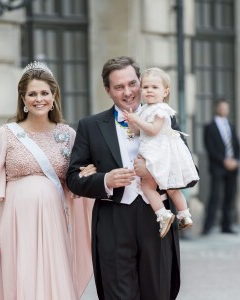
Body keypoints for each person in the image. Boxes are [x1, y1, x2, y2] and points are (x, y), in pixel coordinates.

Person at [0, 61, 95, 299]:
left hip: (54, 223)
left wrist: (88, 176)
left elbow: (75, 185)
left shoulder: (68, 135)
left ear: (54, 96)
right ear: (23, 99)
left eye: (44, 93)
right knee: (19, 280)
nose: (39, 99)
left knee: (53, 281)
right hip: (13, 222)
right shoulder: (6, 134)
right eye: (32, 94)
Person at [67, 56, 181, 300]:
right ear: (108, 91)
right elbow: (73, 178)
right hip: (112, 221)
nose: (128, 92)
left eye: (132, 84)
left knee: (158, 292)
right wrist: (105, 180)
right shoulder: (90, 125)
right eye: (119, 87)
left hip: (157, 218)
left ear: (141, 83)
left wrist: (155, 173)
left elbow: (189, 173)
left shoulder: (164, 119)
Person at [123, 67, 199, 238]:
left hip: (158, 152)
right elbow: (137, 132)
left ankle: (163, 214)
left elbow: (152, 130)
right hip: (156, 149)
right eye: (145, 87)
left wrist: (137, 120)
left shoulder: (161, 110)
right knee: (170, 187)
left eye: (154, 87)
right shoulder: (144, 109)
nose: (149, 90)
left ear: (165, 92)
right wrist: (131, 122)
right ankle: (184, 215)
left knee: (148, 186)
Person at [203, 99, 239, 235]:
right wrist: (224, 161)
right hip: (218, 166)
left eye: (226, 108)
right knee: (215, 196)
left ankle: (227, 225)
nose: (224, 110)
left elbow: (236, 145)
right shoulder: (209, 127)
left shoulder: (231, 125)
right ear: (216, 108)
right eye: (222, 107)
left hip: (233, 167)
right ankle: (208, 226)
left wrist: (236, 161)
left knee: (230, 196)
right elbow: (210, 148)